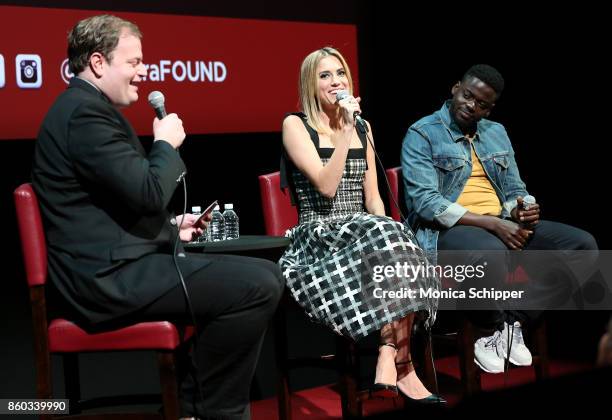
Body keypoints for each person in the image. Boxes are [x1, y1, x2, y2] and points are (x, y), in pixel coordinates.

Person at [32, 15, 284, 419]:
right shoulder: (85, 115)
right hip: (108, 280)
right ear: (98, 63)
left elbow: (110, 205)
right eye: (133, 62)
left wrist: (171, 226)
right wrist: (164, 145)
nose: (143, 72)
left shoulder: (85, 109)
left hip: (120, 266)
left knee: (260, 277)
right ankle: (205, 409)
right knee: (260, 283)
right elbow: (149, 192)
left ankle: (195, 403)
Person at [401, 64, 598, 374]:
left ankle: (511, 323)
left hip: (500, 224)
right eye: (467, 96)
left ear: (489, 108)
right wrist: (493, 224)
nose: (471, 106)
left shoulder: (496, 133)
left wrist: (522, 209)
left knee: (583, 247)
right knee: (490, 252)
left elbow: (514, 189)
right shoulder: (423, 132)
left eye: (481, 103)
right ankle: (490, 327)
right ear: (455, 88)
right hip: (448, 229)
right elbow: (425, 203)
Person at [279, 47, 444, 404]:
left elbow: (373, 198)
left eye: (340, 73)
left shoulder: (362, 128)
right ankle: (403, 366)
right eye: (325, 75)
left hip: (362, 232)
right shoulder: (296, 125)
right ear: (311, 83)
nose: (335, 81)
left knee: (396, 237)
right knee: (391, 237)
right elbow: (325, 184)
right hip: (318, 236)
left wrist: (389, 233)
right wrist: (344, 130)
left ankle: (390, 352)